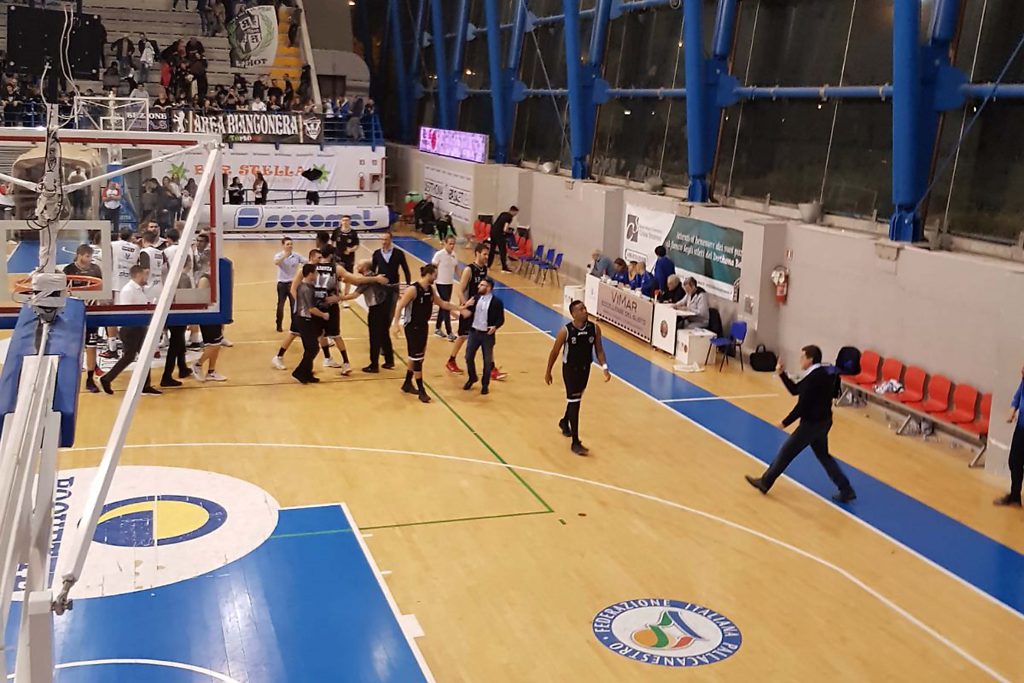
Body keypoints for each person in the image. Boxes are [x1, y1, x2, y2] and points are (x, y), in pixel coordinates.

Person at [745, 346, 857, 503]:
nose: (800, 360)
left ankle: (765, 482)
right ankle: (846, 489)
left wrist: (784, 422)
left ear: (810, 359)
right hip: (824, 422)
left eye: (802, 357)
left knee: (786, 452)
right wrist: (782, 374)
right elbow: (796, 389)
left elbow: (801, 406)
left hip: (811, 425)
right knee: (823, 456)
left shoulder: (813, 378)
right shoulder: (822, 373)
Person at [545, 300, 611, 455]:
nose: (585, 311)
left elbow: (599, 350)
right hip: (570, 370)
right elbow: (555, 352)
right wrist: (548, 371)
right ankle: (575, 442)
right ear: (573, 314)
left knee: (575, 399)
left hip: (585, 368)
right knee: (575, 403)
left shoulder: (594, 328)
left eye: (585, 308)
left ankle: (564, 421)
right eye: (581, 309)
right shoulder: (566, 331)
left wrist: (605, 368)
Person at [392, 264, 464, 404]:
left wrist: (460, 308)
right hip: (412, 327)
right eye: (435, 275)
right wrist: (395, 324)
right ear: (429, 274)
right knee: (417, 358)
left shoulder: (430, 290)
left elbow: (443, 304)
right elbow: (400, 305)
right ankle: (421, 391)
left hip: (423, 326)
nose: (436, 277)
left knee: (417, 357)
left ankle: (407, 383)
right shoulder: (413, 289)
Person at [100, 266, 161, 396]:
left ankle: (145, 385)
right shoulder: (128, 290)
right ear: (138, 275)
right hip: (131, 329)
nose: (146, 278)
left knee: (144, 355)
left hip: (139, 327)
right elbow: (127, 311)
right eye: (144, 275)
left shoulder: (139, 290)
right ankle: (107, 379)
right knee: (129, 356)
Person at [343, 259, 395, 374]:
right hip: (384, 306)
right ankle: (389, 360)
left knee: (374, 337)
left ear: (365, 268)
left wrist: (338, 298)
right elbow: (357, 282)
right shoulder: (373, 276)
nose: (357, 266)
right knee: (384, 334)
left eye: (359, 265)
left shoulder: (367, 279)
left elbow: (355, 294)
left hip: (376, 309)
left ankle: (374, 365)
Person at [63, 245, 103, 394]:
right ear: (79, 255)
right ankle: (70, 378)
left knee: (91, 346)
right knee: (73, 347)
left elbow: (101, 288)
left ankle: (90, 379)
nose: (89, 259)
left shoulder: (95, 269)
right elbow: (63, 291)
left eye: (90, 256)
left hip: (91, 311)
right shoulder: (68, 270)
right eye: (87, 256)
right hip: (74, 312)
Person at [460, 278, 504, 395]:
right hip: (474, 332)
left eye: (482, 285)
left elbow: (501, 319)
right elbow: (466, 312)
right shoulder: (475, 298)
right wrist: (464, 306)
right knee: (468, 357)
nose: (479, 286)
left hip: (487, 335)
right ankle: (472, 377)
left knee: (487, 361)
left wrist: (495, 327)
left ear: (489, 288)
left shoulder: (496, 302)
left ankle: (485, 384)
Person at [995, 364, 1024, 508]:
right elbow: (1018, 395)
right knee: (1014, 461)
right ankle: (1015, 497)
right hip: (1021, 428)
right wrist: (1013, 409)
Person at [191, 269, 228, 382]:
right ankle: (197, 364)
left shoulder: (216, 277)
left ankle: (211, 372)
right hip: (207, 315)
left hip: (215, 313)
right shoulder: (204, 279)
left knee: (217, 344)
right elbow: (200, 300)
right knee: (214, 345)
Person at [274, 237, 305, 332]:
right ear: (283, 245)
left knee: (294, 305)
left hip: (293, 284)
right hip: (282, 284)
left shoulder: (296, 255)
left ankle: (294, 326)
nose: (290, 246)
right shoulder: (279, 255)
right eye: (287, 244)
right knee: (280, 305)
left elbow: (306, 261)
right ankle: (279, 324)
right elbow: (276, 262)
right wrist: (285, 256)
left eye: (291, 244)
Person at [432, 235, 458, 341]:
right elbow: (433, 267)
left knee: (443, 306)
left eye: (453, 244)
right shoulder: (439, 255)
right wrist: (432, 280)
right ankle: (449, 332)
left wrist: (463, 280)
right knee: (446, 306)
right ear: (445, 243)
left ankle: (437, 328)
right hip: (440, 283)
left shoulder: (454, 255)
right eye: (450, 243)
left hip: (449, 283)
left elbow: (456, 268)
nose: (452, 246)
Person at [332, 216, 360, 305]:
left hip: (349, 259)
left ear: (350, 222)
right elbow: (332, 242)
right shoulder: (337, 231)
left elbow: (356, 245)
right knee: (336, 277)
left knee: (348, 278)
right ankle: (338, 295)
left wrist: (351, 250)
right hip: (338, 257)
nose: (345, 222)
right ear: (341, 221)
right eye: (343, 220)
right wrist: (332, 252)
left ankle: (345, 298)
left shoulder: (353, 233)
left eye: (347, 220)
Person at [487, 206, 518, 272]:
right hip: (499, 235)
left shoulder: (503, 213)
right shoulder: (509, 217)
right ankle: (504, 267)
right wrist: (509, 231)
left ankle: (488, 265)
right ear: (513, 211)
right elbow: (505, 229)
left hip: (493, 232)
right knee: (503, 251)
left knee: (492, 249)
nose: (515, 215)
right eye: (515, 213)